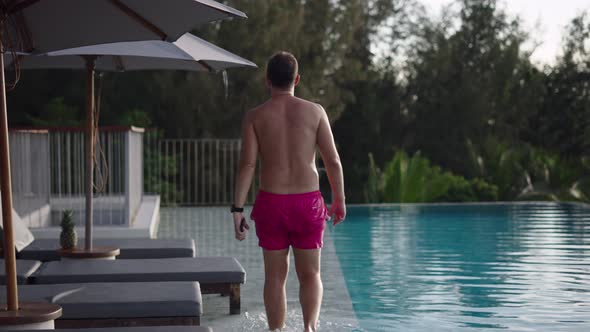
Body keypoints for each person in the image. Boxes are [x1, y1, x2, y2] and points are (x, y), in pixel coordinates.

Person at [231, 51, 346, 331]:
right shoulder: (316, 111)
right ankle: (309, 328)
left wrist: (237, 209)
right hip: (308, 204)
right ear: (297, 79)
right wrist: (339, 199)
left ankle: (276, 330)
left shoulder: (255, 116)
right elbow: (332, 160)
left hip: (271, 204)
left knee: (275, 278)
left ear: (267, 80)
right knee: (311, 274)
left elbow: (247, 165)